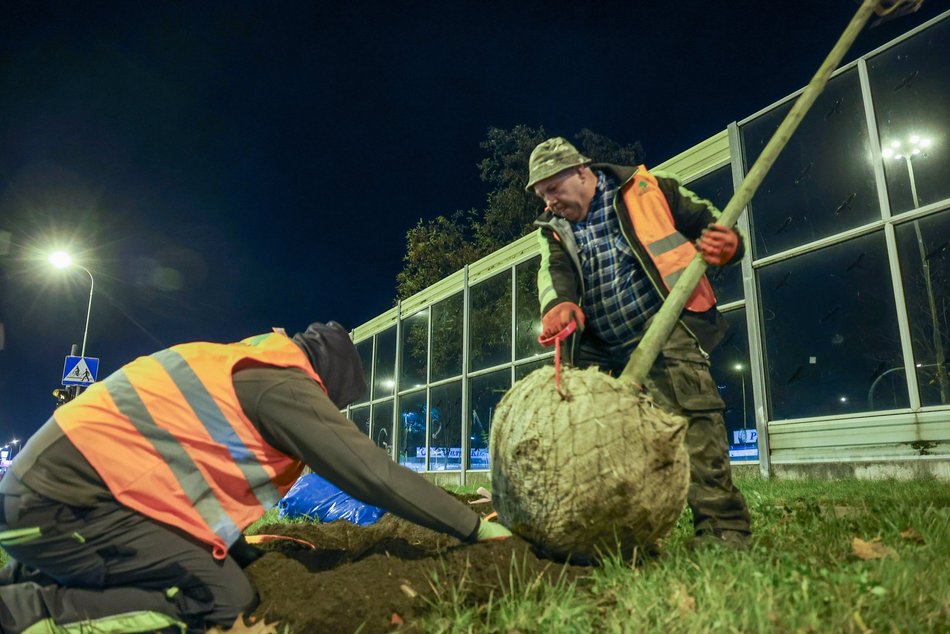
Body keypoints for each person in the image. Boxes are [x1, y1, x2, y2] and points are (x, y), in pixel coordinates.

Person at [0, 322, 510, 633]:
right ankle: (22, 613)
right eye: (334, 405)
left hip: (50, 504)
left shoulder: (248, 365)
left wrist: (240, 553)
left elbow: (189, 486)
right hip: (61, 509)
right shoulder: (283, 389)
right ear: (326, 384)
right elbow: (372, 474)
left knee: (214, 568)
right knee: (221, 601)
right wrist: (475, 528)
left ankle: (22, 577)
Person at [526, 137, 752, 549]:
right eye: (542, 196)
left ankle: (723, 528)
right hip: (598, 347)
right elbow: (554, 274)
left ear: (582, 171)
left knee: (692, 422)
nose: (549, 202)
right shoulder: (552, 230)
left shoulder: (652, 188)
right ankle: (611, 536)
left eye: (553, 189)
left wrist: (730, 245)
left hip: (665, 328)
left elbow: (715, 227)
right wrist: (559, 305)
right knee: (593, 439)